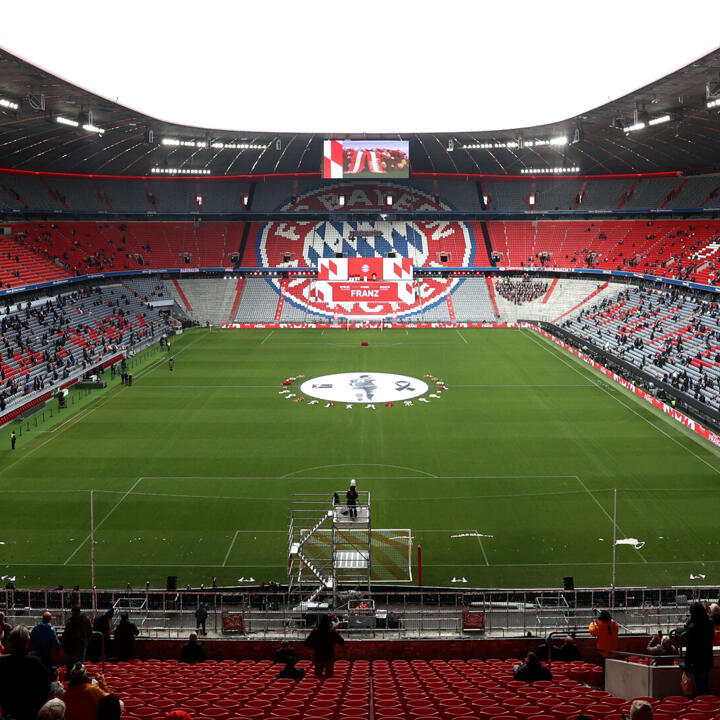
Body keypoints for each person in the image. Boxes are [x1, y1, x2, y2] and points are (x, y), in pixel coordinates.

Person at [0, 625, 51, 720]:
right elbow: (46, 687)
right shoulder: (35, 663)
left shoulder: (2, 663)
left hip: (9, 711)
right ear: (27, 642)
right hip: (31, 711)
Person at [681, 601, 714, 697]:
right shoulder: (710, 625)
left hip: (696, 662)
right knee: (705, 686)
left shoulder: (692, 628)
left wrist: (687, 665)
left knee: (698, 688)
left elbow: (690, 649)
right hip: (707, 660)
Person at [62, 604, 93, 675]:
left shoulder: (70, 621)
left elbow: (66, 635)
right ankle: (79, 679)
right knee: (80, 665)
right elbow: (89, 633)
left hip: (71, 647)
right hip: (82, 646)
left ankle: (70, 679)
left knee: (70, 665)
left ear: (72, 611)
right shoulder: (86, 620)